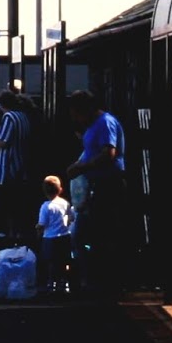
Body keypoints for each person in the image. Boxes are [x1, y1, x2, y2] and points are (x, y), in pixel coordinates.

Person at [64, 90, 127, 293]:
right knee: (90, 233)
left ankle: (100, 281)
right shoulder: (94, 125)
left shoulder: (105, 122)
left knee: (98, 233)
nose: (74, 118)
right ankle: (94, 278)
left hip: (108, 184)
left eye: (76, 113)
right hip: (97, 184)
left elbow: (109, 152)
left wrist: (82, 167)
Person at [0, 89, 32, 237]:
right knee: (17, 204)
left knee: (6, 204)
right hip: (20, 165)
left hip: (7, 168)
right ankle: (16, 234)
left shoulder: (9, 117)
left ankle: (6, 234)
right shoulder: (23, 116)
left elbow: (4, 142)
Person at [35, 175, 72, 293]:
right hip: (64, 236)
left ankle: (52, 283)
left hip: (50, 238)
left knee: (51, 262)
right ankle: (64, 282)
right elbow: (71, 217)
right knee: (64, 260)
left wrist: (38, 231)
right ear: (60, 189)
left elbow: (42, 224)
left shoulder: (46, 206)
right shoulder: (64, 203)